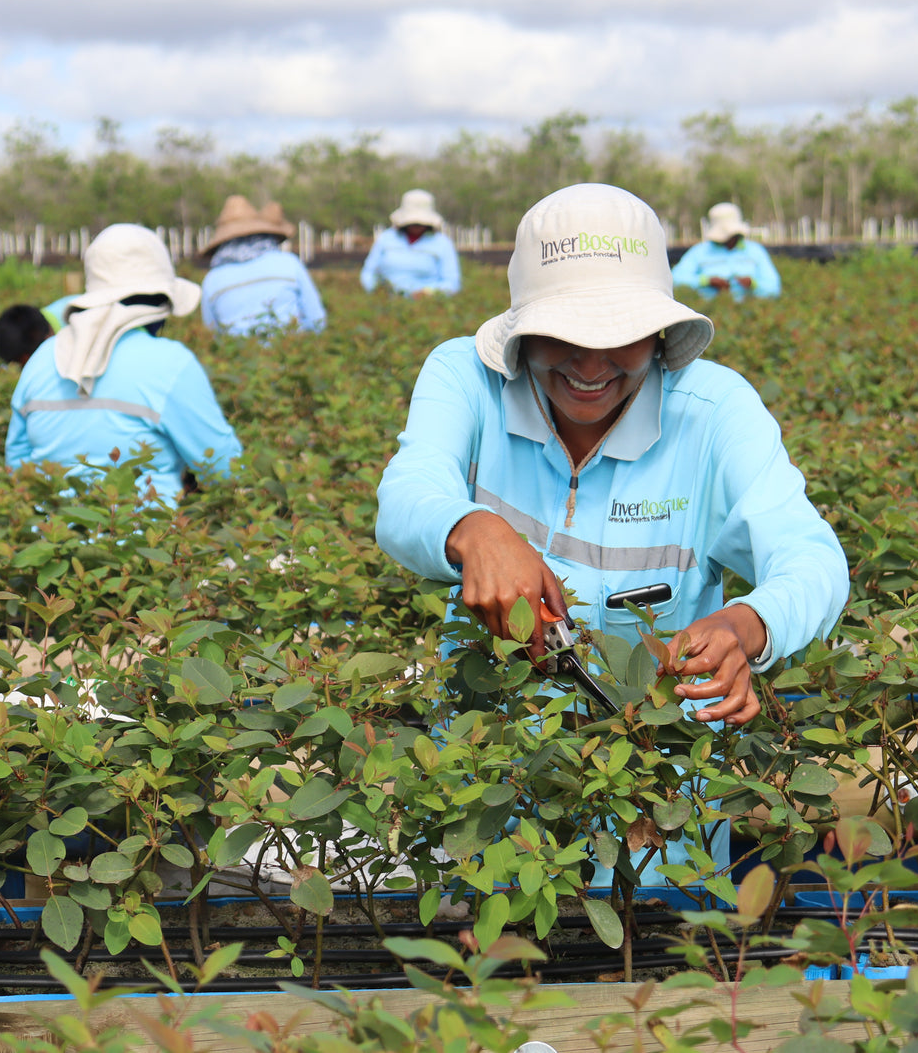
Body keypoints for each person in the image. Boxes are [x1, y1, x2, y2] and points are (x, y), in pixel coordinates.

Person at [376, 183, 848, 728]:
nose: (592, 365)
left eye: (622, 334)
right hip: (485, 769)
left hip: (667, 778)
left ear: (658, 333)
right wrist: (475, 530)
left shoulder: (714, 412)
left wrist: (744, 625)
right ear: (523, 332)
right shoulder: (465, 380)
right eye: (562, 332)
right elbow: (406, 495)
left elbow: (813, 560)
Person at [7, 224, 241, 501]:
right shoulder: (170, 362)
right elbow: (224, 470)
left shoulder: (41, 358)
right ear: (162, 301)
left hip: (52, 535)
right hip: (148, 538)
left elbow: (17, 465)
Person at [199, 197, 327, 336]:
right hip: (290, 350)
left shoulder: (212, 280)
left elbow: (212, 332)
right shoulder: (289, 263)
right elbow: (317, 321)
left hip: (238, 354)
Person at [670, 202, 781, 301]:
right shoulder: (699, 252)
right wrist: (707, 281)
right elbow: (676, 279)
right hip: (709, 311)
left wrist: (752, 284)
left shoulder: (756, 251)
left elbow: (773, 287)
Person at [360, 190, 462, 296]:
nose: (416, 225)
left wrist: (428, 293)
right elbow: (368, 272)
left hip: (426, 305)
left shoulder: (442, 244)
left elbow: (452, 282)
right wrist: (375, 290)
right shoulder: (386, 238)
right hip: (385, 301)